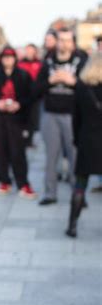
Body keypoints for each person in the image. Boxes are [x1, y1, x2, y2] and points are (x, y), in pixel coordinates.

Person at [35, 28, 87, 206]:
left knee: (75, 156)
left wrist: (73, 82)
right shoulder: (48, 62)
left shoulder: (81, 62)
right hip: (51, 114)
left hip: (73, 115)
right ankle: (50, 193)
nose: (64, 44)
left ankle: (78, 195)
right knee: (51, 156)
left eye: (68, 40)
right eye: (61, 40)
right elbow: (35, 90)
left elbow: (90, 89)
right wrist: (51, 81)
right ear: (56, 42)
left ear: (73, 43)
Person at [0, 46, 36, 199]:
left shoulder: (23, 75)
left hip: (17, 119)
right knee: (1, 151)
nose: (7, 60)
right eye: (5, 57)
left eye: (10, 57)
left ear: (15, 59)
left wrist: (18, 104)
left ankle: (23, 183)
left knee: (18, 152)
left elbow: (30, 97)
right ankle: (5, 181)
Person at [65, 53, 102, 237]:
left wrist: (77, 140)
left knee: (80, 185)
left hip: (88, 140)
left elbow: (75, 118)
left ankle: (72, 225)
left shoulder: (81, 86)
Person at [18, 44, 42, 147]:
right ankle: (21, 139)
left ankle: (29, 140)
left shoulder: (39, 64)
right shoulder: (20, 64)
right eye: (27, 50)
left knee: (33, 119)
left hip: (35, 97)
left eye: (31, 50)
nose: (29, 52)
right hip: (22, 96)